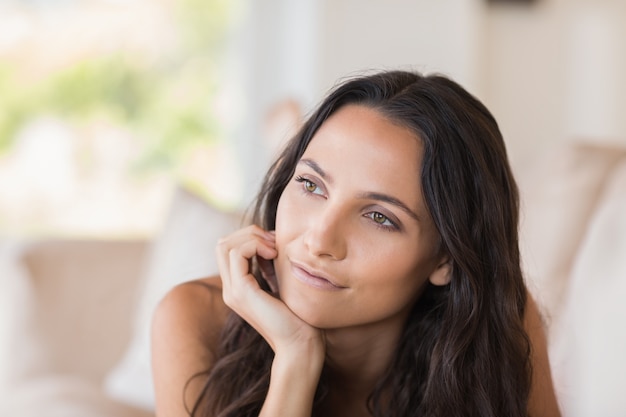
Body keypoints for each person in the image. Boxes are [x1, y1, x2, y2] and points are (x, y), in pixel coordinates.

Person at [151, 70, 561, 417]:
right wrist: (296, 358)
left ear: (446, 259)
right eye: (309, 184)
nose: (319, 240)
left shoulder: (496, 322)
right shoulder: (195, 317)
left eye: (379, 217)